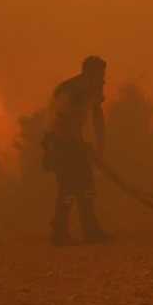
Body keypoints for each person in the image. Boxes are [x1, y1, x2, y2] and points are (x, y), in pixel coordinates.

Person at [42, 55, 110, 245]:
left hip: (72, 141)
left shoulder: (92, 88)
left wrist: (100, 147)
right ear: (90, 73)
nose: (103, 79)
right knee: (69, 186)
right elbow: (60, 120)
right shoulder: (71, 90)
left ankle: (87, 229)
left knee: (85, 185)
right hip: (59, 141)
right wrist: (78, 144)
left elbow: (97, 115)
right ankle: (61, 231)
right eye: (100, 74)